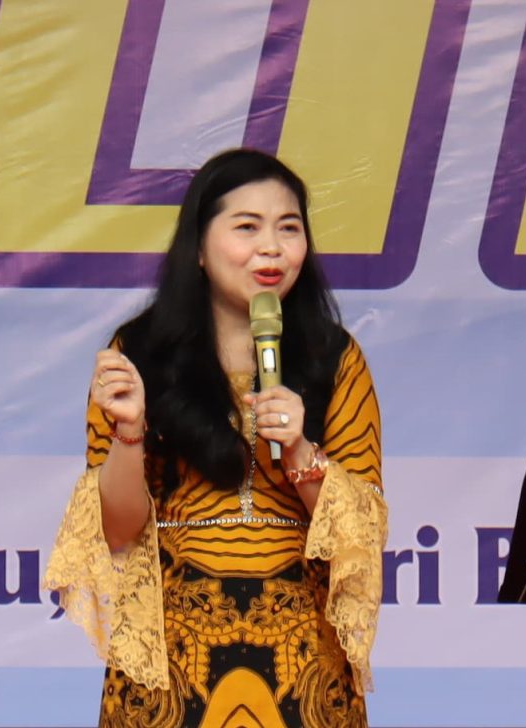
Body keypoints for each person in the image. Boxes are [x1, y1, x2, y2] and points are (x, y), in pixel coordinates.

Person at [44, 148, 387, 727]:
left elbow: (361, 536)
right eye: (247, 227)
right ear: (199, 249)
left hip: (302, 659)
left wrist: (300, 452)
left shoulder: (335, 358)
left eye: (289, 228)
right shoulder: (139, 354)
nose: (271, 248)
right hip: (173, 661)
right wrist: (129, 432)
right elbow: (117, 531)